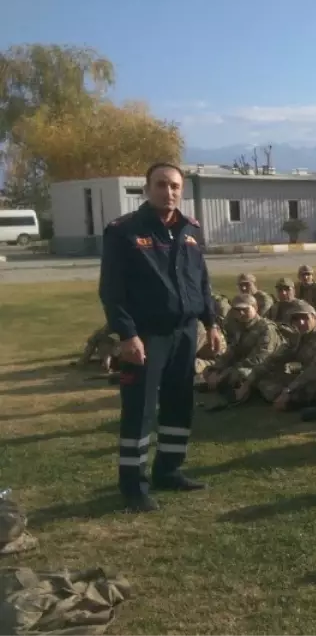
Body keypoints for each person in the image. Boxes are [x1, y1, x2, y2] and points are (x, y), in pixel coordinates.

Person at [99, 162, 222, 512]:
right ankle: (133, 485)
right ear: (147, 188)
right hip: (146, 336)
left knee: (179, 403)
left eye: (175, 186)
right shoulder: (124, 231)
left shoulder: (191, 230)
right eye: (161, 185)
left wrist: (211, 322)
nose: (168, 192)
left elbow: (202, 281)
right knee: (139, 410)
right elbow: (111, 291)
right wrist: (127, 335)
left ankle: (169, 470)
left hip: (185, 332)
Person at [250, 301, 316, 414]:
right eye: (296, 319)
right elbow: (275, 358)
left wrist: (289, 390)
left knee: (314, 387)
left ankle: (299, 403)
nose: (301, 322)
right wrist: (249, 380)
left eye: (305, 318)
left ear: (315, 318)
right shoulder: (299, 337)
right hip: (309, 378)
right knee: (266, 380)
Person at [205, 294, 286, 401]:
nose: (241, 313)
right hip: (245, 366)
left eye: (245, 309)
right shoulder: (240, 326)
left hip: (268, 369)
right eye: (237, 310)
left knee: (239, 374)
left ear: (255, 308)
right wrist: (217, 368)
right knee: (209, 371)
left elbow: (260, 359)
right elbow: (232, 351)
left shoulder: (266, 328)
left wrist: (226, 372)